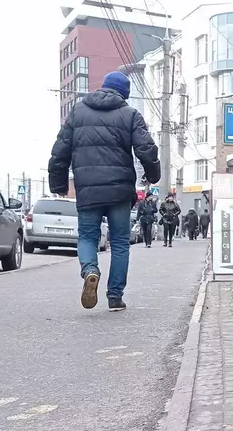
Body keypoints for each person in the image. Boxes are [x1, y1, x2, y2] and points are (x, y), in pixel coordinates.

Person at [48, 71, 159, 312]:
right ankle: (115, 296)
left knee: (88, 236)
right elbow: (147, 149)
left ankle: (90, 270)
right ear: (125, 94)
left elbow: (60, 151)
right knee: (120, 243)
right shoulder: (130, 114)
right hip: (119, 191)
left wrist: (57, 184)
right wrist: (153, 175)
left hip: (87, 189)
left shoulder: (78, 111)